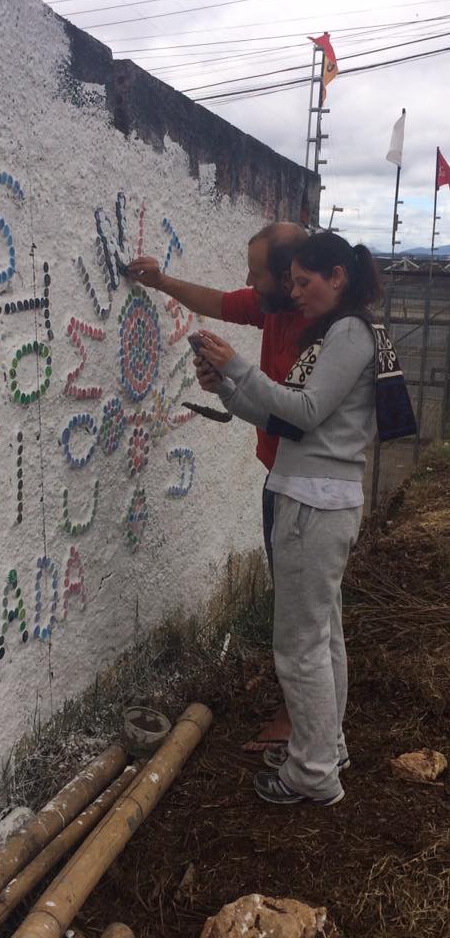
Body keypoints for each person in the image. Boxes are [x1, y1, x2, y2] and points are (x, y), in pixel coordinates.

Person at [195, 232, 379, 805]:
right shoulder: (336, 332)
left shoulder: (347, 333)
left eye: (304, 282)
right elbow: (289, 423)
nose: (294, 292)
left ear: (338, 279)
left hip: (313, 505)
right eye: (291, 281)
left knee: (299, 647)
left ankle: (313, 772)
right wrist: (228, 387)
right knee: (322, 638)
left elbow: (304, 408)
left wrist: (241, 368)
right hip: (319, 499)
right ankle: (329, 747)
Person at [127, 222, 308, 752]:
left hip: (305, 485)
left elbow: (294, 412)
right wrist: (161, 281)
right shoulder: (271, 306)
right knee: (294, 602)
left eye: (257, 273)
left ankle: (301, 720)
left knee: (301, 609)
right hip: (281, 475)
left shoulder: (320, 330)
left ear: (286, 276)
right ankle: (304, 711)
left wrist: (235, 372)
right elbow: (219, 301)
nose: (248, 282)